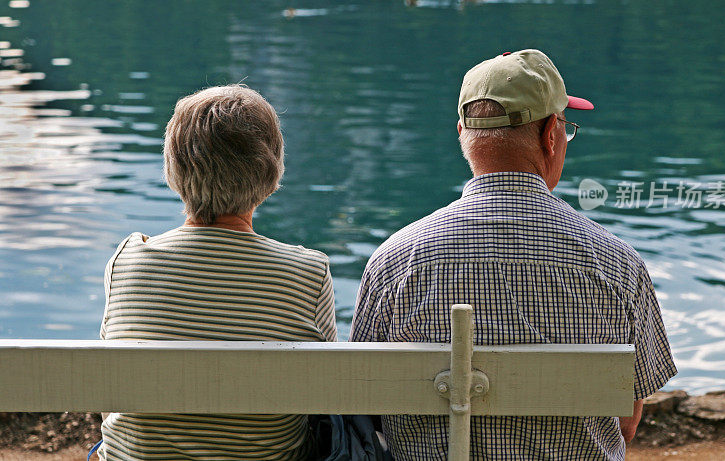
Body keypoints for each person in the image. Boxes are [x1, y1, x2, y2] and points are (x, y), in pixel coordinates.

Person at [349, 49, 677, 460]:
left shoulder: (394, 261)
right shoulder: (619, 265)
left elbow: (362, 399)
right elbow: (627, 421)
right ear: (550, 136)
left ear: (462, 135)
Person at [98, 85, 337, 460]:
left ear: (173, 169)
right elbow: (323, 393)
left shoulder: (129, 259)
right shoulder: (308, 273)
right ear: (271, 169)